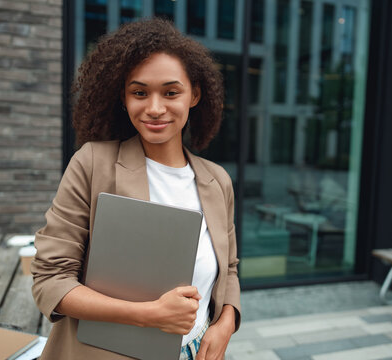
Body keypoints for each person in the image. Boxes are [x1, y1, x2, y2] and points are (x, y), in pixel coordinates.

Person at [30, 18, 241, 360]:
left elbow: (229, 268)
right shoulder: (93, 163)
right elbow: (50, 280)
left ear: (195, 95)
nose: (154, 108)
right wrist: (149, 316)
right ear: (124, 97)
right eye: (139, 92)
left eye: (171, 92)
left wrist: (225, 323)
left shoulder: (217, 180)